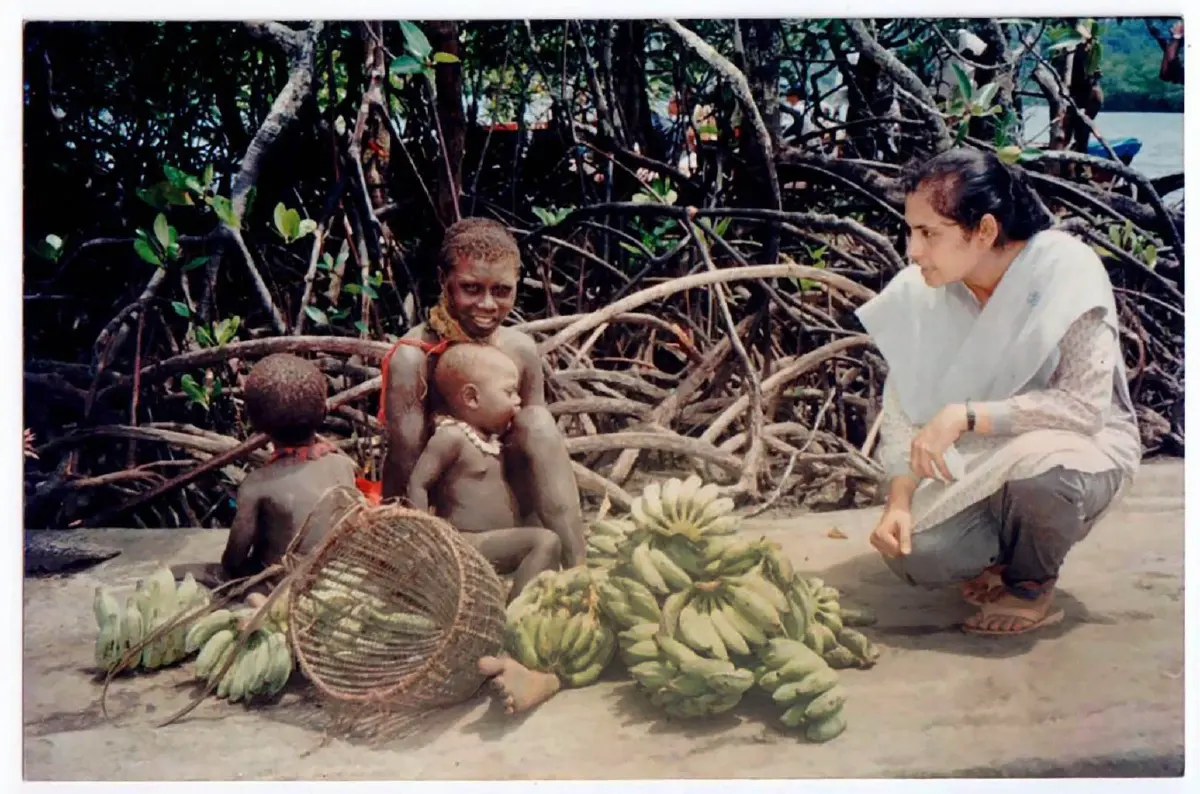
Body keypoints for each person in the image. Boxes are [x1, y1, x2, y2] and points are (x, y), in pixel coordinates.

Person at [855, 148, 1141, 636]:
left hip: (1080, 449)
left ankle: (1031, 584)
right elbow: (902, 409)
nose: (912, 251)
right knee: (916, 558)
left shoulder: (1062, 270)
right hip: (979, 460)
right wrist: (899, 500)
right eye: (911, 231)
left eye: (929, 234)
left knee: (1043, 474)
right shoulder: (921, 290)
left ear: (984, 231)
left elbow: (1082, 408)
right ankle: (1006, 553)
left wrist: (966, 416)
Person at [378, 217, 586, 570]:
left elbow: (539, 449)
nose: (488, 305)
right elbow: (408, 473)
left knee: (537, 421)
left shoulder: (519, 349)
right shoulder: (414, 359)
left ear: (518, 284)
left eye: (502, 290)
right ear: (445, 282)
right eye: (471, 288)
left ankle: (579, 569)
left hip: (517, 524)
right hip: (450, 526)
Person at [171, 354, 359, 592]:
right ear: (323, 413)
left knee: (179, 574)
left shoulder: (257, 484)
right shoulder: (342, 465)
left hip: (284, 586)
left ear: (256, 424)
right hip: (337, 578)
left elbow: (234, 559)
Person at [408, 343, 563, 601]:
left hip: (492, 542)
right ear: (472, 398)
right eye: (509, 392)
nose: (518, 400)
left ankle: (521, 605)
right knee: (545, 542)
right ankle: (512, 615)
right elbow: (418, 484)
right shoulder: (452, 437)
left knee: (543, 535)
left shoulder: (492, 438)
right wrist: (428, 539)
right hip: (467, 542)